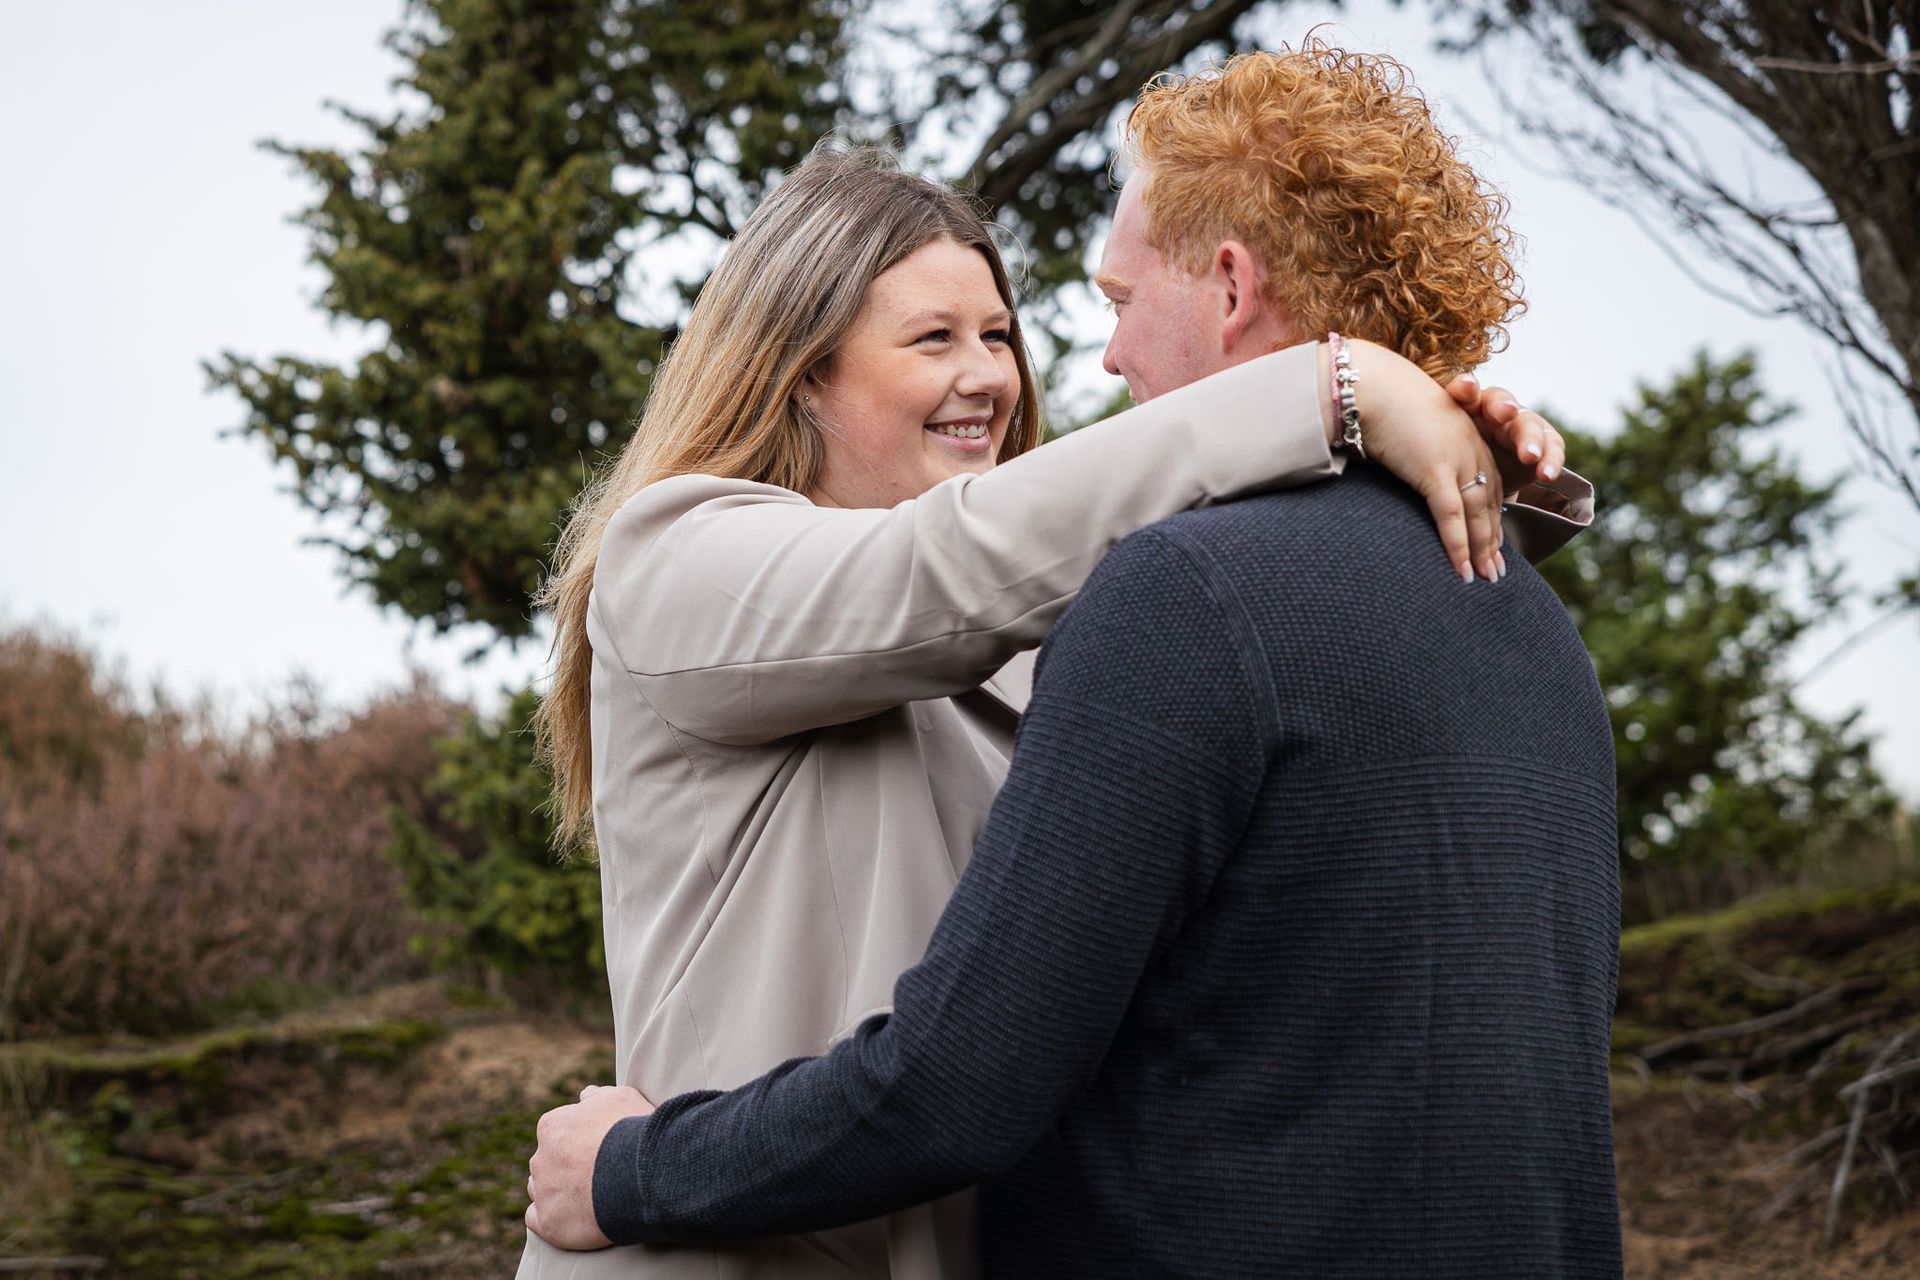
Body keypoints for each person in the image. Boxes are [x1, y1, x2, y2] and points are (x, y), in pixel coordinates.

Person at [524, 45, 1619, 1277]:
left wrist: (1454, 490)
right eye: (933, 337)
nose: (995, 374)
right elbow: (941, 569)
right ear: (800, 374)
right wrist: (1333, 389)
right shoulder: (678, 560)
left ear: (1228, 286)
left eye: (1000, 333)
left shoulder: (1079, 625)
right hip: (711, 1241)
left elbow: (1303, 654)